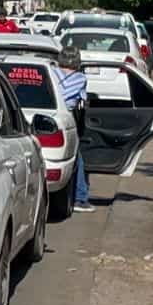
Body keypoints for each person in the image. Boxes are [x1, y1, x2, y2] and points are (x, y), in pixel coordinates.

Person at [52, 45, 93, 213]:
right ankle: (80, 198)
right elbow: (82, 100)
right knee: (76, 157)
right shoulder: (81, 78)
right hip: (65, 118)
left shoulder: (52, 72)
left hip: (46, 114)